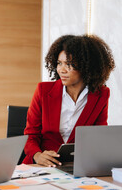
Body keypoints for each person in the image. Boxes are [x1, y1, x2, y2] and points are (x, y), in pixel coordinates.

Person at [23, 34, 115, 166]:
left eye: (69, 64)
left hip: (76, 166)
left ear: (86, 66)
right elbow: (30, 135)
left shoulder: (101, 94)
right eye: (59, 63)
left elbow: (98, 136)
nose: (62, 70)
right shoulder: (43, 91)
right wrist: (38, 156)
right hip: (40, 166)